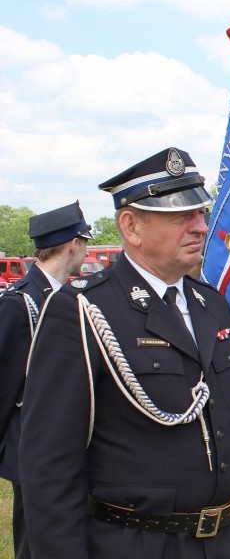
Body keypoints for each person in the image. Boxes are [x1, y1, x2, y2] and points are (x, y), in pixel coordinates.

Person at [19, 147, 230, 559]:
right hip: (138, 544)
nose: (200, 227)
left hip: (224, 541)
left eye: (201, 214)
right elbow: (50, 466)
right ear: (131, 226)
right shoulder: (83, 311)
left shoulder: (212, 305)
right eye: (180, 216)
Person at [0, 201, 92, 559]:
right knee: (32, 544)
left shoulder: (71, 298)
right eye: (84, 242)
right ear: (73, 244)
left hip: (69, 443)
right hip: (30, 448)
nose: (85, 250)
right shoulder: (19, 303)